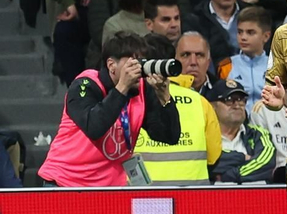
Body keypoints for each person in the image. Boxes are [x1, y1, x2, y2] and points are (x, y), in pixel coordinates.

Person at [41, 31, 182, 185]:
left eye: (142, 62)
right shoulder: (85, 84)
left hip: (109, 188)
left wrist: (165, 98)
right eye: (133, 63)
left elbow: (168, 136)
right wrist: (122, 87)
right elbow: (94, 128)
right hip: (65, 182)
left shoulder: (142, 89)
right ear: (111, 65)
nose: (139, 69)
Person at [208, 78, 279, 184]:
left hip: (255, 198)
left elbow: (266, 163)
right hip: (213, 198)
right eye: (229, 99)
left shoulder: (258, 134)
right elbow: (206, 162)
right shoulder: (204, 135)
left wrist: (230, 175)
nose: (237, 105)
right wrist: (242, 158)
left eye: (241, 99)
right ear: (212, 106)